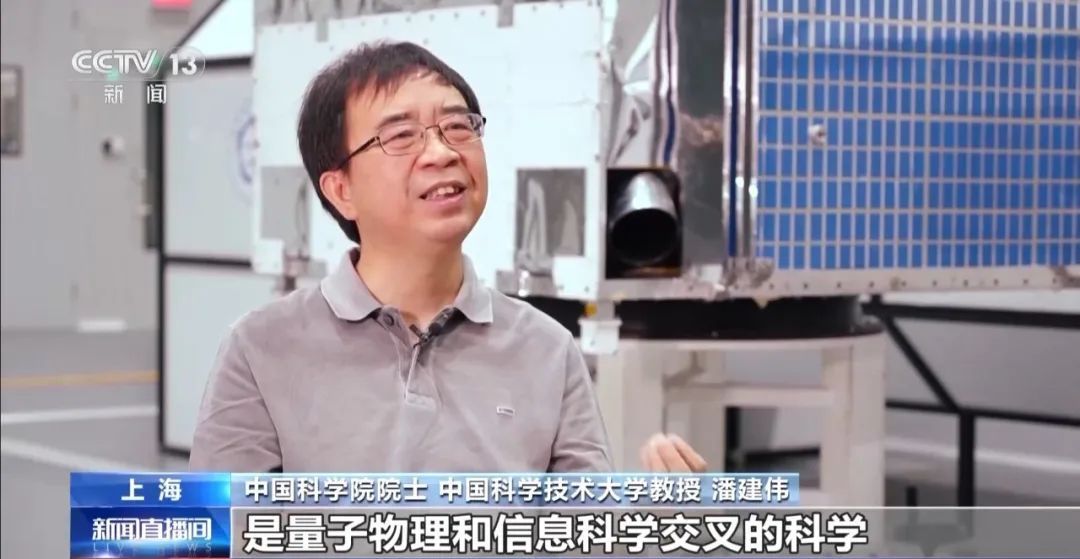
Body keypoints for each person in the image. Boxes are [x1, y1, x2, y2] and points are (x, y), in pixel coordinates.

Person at [189, 41, 706, 474]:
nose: (442, 152)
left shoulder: (548, 350)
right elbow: (216, 537)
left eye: (459, 126)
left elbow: (580, 537)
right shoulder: (261, 349)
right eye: (401, 136)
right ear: (341, 190)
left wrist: (656, 526)